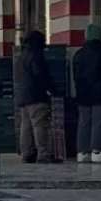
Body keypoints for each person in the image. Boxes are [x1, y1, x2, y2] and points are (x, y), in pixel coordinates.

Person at [72, 24, 101, 163]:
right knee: (99, 123)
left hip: (83, 95)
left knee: (84, 123)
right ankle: (96, 152)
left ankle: (82, 152)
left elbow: (75, 76)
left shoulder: (79, 54)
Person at [16, 30, 59, 164]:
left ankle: (27, 153)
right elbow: (40, 74)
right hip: (36, 95)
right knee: (39, 124)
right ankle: (43, 154)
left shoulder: (22, 55)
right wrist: (51, 88)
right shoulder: (35, 55)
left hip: (23, 97)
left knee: (26, 126)